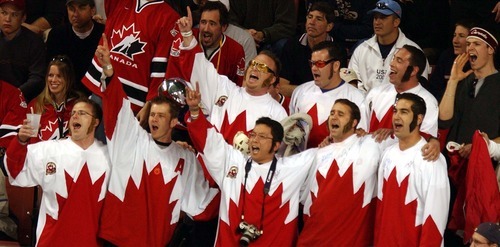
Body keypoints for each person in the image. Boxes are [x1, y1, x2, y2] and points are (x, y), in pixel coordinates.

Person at [93, 37, 217, 246]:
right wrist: (108, 68)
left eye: (161, 116)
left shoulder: (185, 159)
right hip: (116, 237)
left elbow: (202, 204)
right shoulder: (132, 139)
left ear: (174, 122)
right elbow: (118, 105)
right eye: (152, 114)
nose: (154, 119)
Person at [185, 84, 317, 246]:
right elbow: (210, 141)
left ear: (276, 145)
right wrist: (195, 111)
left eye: (262, 136)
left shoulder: (291, 169)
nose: (254, 139)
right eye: (253, 135)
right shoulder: (233, 161)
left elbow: (327, 155)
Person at [167, 7, 288, 145]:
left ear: (272, 78)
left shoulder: (277, 113)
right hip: (209, 163)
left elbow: (276, 156)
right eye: (253, 63)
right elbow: (201, 68)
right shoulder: (226, 88)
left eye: (262, 67)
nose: (254, 68)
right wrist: (188, 34)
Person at [4, 98, 111, 246]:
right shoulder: (49, 150)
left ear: (95, 122)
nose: (75, 116)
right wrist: (21, 141)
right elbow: (14, 171)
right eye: (73, 113)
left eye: (82, 113)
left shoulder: (109, 158)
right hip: (52, 241)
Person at [298, 99, 383, 246]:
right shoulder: (319, 153)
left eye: (341, 114)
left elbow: (406, 142)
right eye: (332, 113)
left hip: (349, 239)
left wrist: (433, 141)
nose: (334, 117)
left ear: (354, 122)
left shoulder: (371, 144)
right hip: (313, 236)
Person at [82, 0, 180, 120]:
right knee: (89, 137)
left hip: (131, 100)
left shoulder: (169, 18)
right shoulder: (120, 2)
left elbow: (160, 66)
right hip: (101, 86)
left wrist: (151, 102)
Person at [374, 93, 450, 246]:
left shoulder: (431, 159)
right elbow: (381, 211)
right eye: (395, 111)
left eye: (404, 112)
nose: (396, 117)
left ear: (419, 118)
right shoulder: (388, 154)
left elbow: (435, 219)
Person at [358, 45, 440, 160]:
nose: (391, 64)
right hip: (368, 162)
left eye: (399, 61)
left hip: (402, 164)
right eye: (393, 59)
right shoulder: (376, 93)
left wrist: (395, 133)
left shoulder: (428, 102)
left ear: (413, 70)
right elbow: (360, 129)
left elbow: (426, 140)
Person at [439, 26, 499, 159]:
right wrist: (453, 81)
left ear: (490, 49)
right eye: (468, 44)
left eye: (476, 44)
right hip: (455, 163)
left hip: (485, 164)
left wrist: (480, 146)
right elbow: (444, 120)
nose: (470, 48)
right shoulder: (462, 80)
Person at [290, 41, 364, 149]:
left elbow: (359, 139)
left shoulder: (357, 98)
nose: (314, 68)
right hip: (303, 161)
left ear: (335, 66)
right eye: (312, 63)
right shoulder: (300, 92)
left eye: (320, 64)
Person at [348, 0, 429, 93]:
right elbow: (353, 87)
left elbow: (417, 89)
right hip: (364, 105)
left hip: (399, 105)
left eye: (383, 18)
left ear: (396, 22)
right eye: (375, 18)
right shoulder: (361, 49)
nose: (377, 22)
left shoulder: (414, 52)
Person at [46, 0, 105, 96]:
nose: (75, 14)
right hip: (64, 94)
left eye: (82, 7)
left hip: (97, 94)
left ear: (93, 10)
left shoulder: (104, 34)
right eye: (71, 9)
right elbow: (50, 72)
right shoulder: (57, 35)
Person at [279, 1, 335, 97]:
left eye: (319, 19)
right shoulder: (291, 45)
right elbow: (282, 87)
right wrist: (312, 92)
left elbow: (337, 89)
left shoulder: (337, 50)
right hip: (297, 101)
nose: (312, 22)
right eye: (310, 17)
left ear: (329, 26)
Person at [28, 55, 84, 142]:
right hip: (43, 154)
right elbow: (31, 143)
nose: (53, 80)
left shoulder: (79, 105)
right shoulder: (36, 105)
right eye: (50, 75)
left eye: (59, 76)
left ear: (68, 79)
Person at [0, 0, 46, 102]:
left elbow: (37, 78)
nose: (7, 19)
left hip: (25, 100)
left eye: (14, 15)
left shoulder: (34, 42)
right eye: (4, 13)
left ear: (23, 18)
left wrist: (15, 94)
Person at [195, 0, 245, 86]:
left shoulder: (236, 51)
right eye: (203, 22)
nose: (206, 29)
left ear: (224, 27)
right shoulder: (189, 38)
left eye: (212, 24)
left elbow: (238, 88)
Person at [427, 20, 474, 101]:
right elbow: (433, 89)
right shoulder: (446, 57)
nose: (455, 41)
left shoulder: (478, 62)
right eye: (454, 35)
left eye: (461, 36)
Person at [228, 0, 296, 54]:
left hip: (272, 41)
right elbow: (229, 22)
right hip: (242, 38)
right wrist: (245, 34)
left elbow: (287, 25)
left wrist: (263, 34)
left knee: (284, 45)